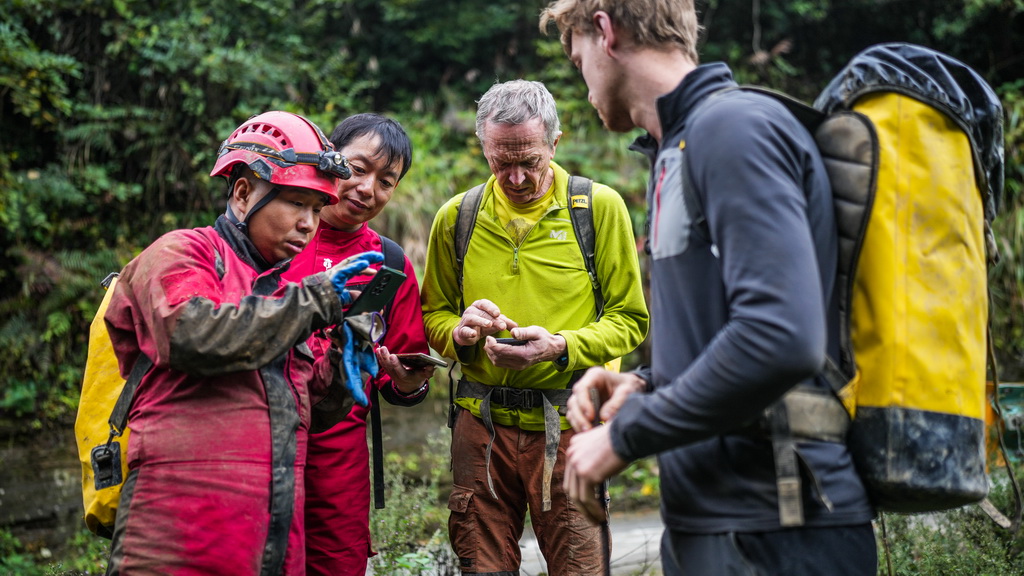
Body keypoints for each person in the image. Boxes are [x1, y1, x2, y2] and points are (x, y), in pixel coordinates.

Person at [540, 2, 878, 575]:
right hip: (718, 522)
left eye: (578, 60)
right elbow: (726, 329)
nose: (585, 80)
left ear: (605, 30)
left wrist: (627, 435)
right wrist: (643, 384)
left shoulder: (732, 130)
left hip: (778, 529)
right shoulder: (677, 148)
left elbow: (781, 335)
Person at [103, 111, 382, 575]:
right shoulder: (182, 252)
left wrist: (340, 363)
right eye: (297, 203)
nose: (309, 224)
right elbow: (189, 333)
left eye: (317, 209)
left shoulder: (282, 293)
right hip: (174, 548)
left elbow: (305, 408)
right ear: (243, 192)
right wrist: (315, 300)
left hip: (270, 548)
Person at [420, 79, 649, 576]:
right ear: (483, 147)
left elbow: (630, 321)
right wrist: (460, 335)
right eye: (501, 162)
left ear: (555, 143)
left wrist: (561, 347)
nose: (517, 177)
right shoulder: (456, 217)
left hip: (569, 427)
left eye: (530, 160)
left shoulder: (598, 209)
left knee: (581, 568)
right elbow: (431, 316)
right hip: (479, 428)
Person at [281, 113, 435, 576]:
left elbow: (398, 371)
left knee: (338, 564)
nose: (368, 188)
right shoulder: (274, 234)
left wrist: (408, 382)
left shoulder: (388, 263)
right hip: (262, 434)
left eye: (386, 181)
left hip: (341, 450)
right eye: (357, 168)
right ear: (329, 158)